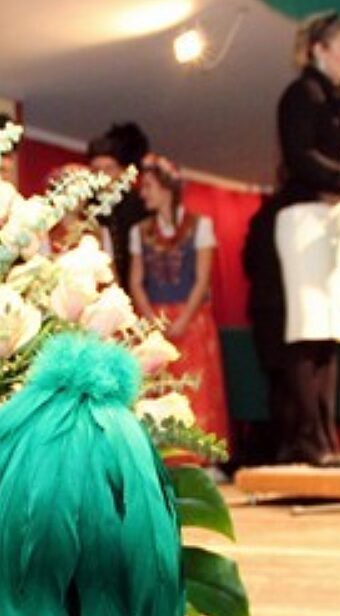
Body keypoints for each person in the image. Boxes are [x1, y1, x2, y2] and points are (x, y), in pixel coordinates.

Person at [244, 11, 340, 467]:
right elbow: (300, 156)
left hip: (336, 217)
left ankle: (327, 439)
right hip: (305, 217)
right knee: (308, 330)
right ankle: (310, 439)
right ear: (319, 49)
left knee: (331, 333)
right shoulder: (301, 95)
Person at [128, 154, 231, 448]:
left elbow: (202, 278)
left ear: (167, 188)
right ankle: (164, 455)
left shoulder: (200, 225)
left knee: (196, 387)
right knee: (157, 387)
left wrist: (184, 319)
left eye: (149, 186)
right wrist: (151, 321)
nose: (143, 193)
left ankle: (200, 453)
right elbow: (136, 281)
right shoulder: (139, 231)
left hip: (191, 318)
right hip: (154, 317)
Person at [86, 122, 151, 292]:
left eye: (109, 169)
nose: (103, 176)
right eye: (96, 170)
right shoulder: (85, 208)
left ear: (123, 172)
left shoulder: (142, 206)